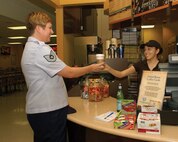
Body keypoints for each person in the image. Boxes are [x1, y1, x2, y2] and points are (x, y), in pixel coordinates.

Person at [21, 11, 104, 142]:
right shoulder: (40, 49)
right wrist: (91, 68)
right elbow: (69, 73)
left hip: (43, 111)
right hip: (48, 112)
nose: (52, 31)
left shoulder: (32, 48)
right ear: (38, 28)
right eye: (49, 27)